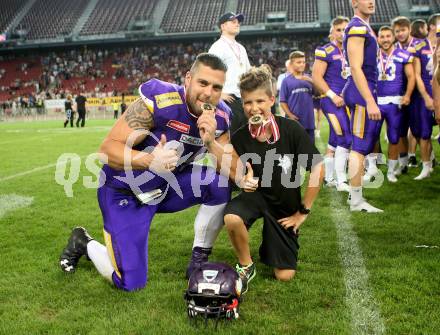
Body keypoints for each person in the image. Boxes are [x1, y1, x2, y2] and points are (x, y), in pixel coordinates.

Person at [59, 53, 244, 291]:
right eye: (203, 83)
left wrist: (211, 142)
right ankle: (84, 242)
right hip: (125, 190)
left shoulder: (220, 115)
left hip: (168, 185)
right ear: (188, 79)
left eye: (216, 87)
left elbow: (236, 173)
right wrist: (149, 160)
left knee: (218, 184)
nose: (209, 93)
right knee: (130, 283)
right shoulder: (161, 100)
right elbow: (107, 150)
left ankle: (198, 260)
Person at [223, 66, 323, 293]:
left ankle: (272, 242)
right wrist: (242, 179)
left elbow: (318, 169)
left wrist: (302, 212)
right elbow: (234, 169)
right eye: (248, 102)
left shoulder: (291, 129)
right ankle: (246, 265)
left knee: (284, 276)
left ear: (271, 99)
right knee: (232, 217)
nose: (253, 108)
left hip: (284, 207)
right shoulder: (239, 136)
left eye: (259, 101)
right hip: (256, 197)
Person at [342, 0, 382, 212]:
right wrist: (369, 100)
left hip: (361, 91)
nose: (371, 1)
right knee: (358, 147)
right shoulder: (357, 26)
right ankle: (356, 200)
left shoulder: (364, 26)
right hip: (360, 93)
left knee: (364, 144)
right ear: (354, 2)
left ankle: (354, 194)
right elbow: (356, 68)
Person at [372, 26, 415, 182]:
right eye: (382, 36)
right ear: (378, 39)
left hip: (395, 102)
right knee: (372, 136)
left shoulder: (403, 55)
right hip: (376, 102)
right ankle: (373, 168)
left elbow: (411, 77)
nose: (385, 39)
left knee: (394, 137)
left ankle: (391, 171)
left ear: (393, 38)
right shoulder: (372, 56)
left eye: (388, 36)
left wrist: (408, 95)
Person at [312, 16, 351, 191]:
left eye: (345, 29)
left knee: (334, 139)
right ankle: (342, 180)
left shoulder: (352, 51)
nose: (343, 33)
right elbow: (316, 77)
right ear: (332, 33)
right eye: (339, 29)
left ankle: (329, 178)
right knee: (345, 136)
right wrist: (332, 95)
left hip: (348, 101)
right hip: (331, 102)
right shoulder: (325, 50)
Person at [209, 12, 251, 135]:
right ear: (223, 26)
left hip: (242, 99)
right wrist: (218, 93)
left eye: (238, 22)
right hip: (227, 100)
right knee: (228, 138)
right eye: (233, 21)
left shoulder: (241, 48)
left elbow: (248, 72)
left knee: (243, 137)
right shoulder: (217, 47)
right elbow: (209, 71)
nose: (237, 24)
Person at [411, 16, 439, 180]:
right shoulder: (419, 46)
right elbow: (417, 75)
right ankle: (427, 166)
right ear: (431, 27)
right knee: (424, 132)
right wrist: (426, 97)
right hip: (426, 95)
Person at [391, 16, 419, 173]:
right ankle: (404, 160)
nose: (400, 33)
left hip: (418, 94)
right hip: (400, 95)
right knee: (400, 130)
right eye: (397, 31)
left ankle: (428, 158)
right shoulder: (394, 49)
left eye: (403, 30)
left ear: (409, 29)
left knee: (421, 129)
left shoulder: (419, 45)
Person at [280, 51, 315, 143]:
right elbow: (283, 101)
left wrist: (311, 81)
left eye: (303, 62)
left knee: (310, 150)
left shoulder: (309, 78)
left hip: (309, 120)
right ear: (291, 64)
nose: (302, 64)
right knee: (294, 149)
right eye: (299, 62)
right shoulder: (286, 81)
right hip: (294, 121)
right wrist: (290, 115)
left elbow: (319, 94)